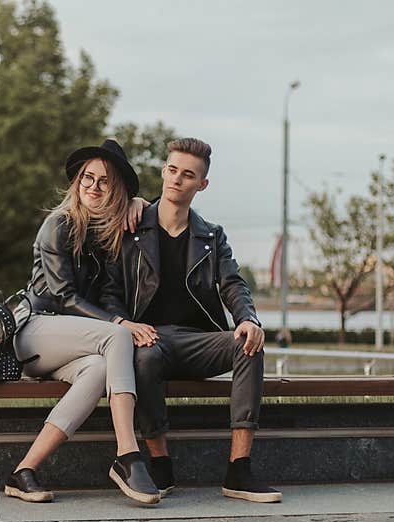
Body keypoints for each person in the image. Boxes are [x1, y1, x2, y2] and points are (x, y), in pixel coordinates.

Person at [100, 137, 282, 503]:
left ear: (202, 184)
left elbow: (233, 283)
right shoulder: (131, 227)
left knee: (248, 344)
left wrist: (248, 319)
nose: (176, 180)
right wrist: (123, 324)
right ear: (163, 171)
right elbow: (108, 291)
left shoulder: (211, 235)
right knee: (145, 355)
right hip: (149, 340)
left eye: (187, 175)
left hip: (199, 341)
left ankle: (239, 470)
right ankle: (160, 463)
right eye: (171, 170)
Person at [5, 138, 160, 505]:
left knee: (98, 369)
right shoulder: (57, 224)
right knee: (117, 339)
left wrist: (142, 205)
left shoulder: (106, 236)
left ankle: (23, 470)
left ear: (116, 189)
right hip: (33, 330)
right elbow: (64, 297)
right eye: (88, 178)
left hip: (68, 340)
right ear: (77, 183)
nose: (93, 186)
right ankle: (127, 453)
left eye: (104, 181)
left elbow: (107, 296)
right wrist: (121, 325)